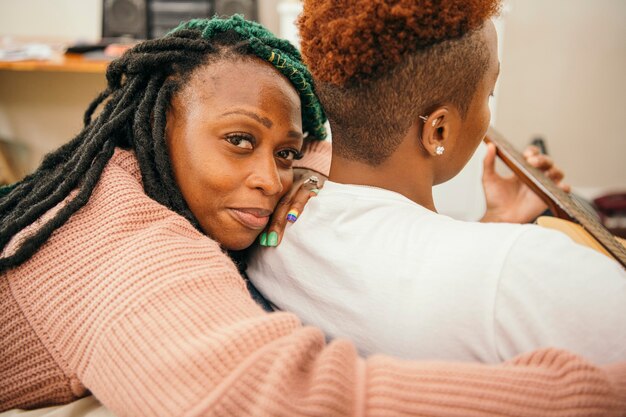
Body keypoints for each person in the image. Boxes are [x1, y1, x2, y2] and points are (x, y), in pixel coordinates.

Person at [0, 14, 624, 417]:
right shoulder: (125, 250)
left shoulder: (178, 179)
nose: (271, 182)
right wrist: (598, 394)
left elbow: (353, 141)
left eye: (288, 154)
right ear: (159, 127)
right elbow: (275, 399)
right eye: (240, 141)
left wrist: (492, 224)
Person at [247, 0, 626, 366]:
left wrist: (494, 225)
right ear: (438, 130)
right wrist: (503, 246)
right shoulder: (531, 269)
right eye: (488, 94)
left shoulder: (270, 223)